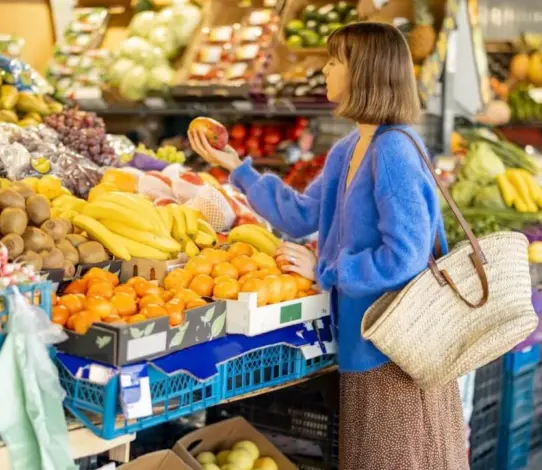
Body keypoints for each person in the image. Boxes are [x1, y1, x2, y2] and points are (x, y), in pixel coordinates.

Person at [189, 21, 468, 470]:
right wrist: (237, 169)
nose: (325, 70)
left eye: (336, 60)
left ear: (365, 72)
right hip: (362, 345)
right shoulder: (349, 148)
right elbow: (301, 215)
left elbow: (406, 256)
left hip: (396, 353)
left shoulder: (394, 150)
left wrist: (327, 268)